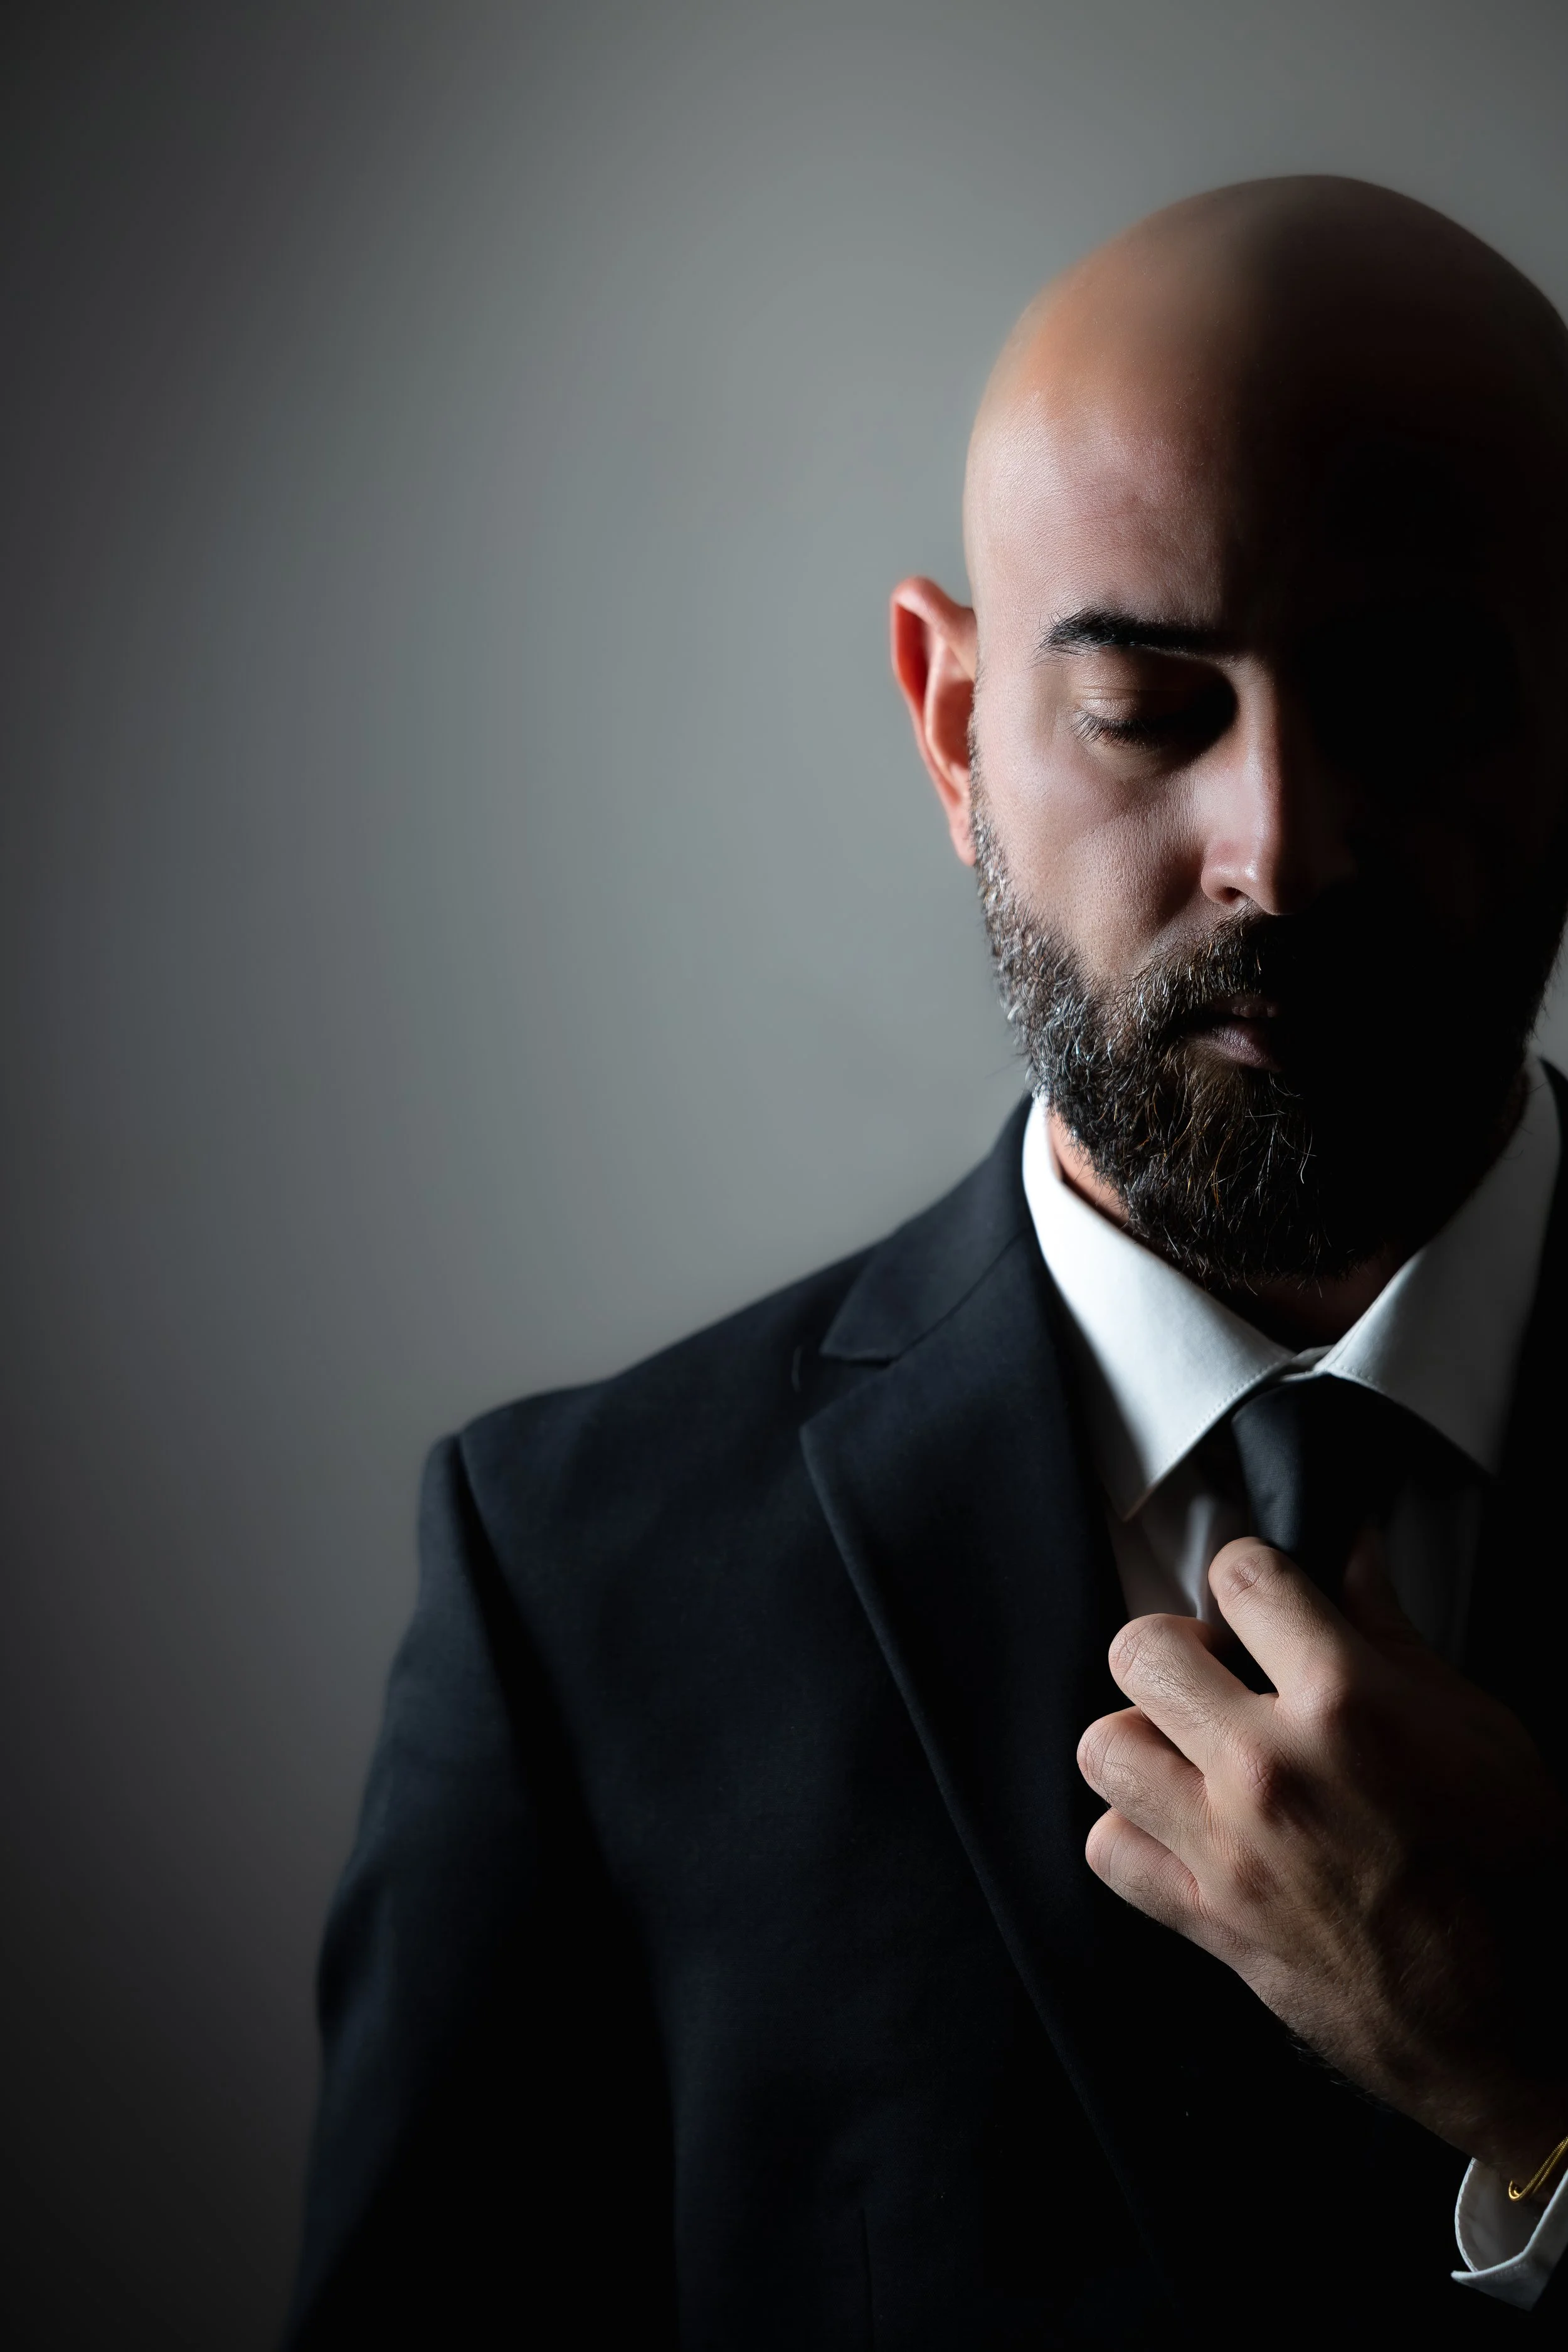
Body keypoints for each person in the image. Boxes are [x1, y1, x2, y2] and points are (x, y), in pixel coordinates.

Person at [285, 177, 1568, 2346]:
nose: (1278, 847)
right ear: (946, 714)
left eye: (1412, 701)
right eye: (1152, 709)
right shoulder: (573, 1590)